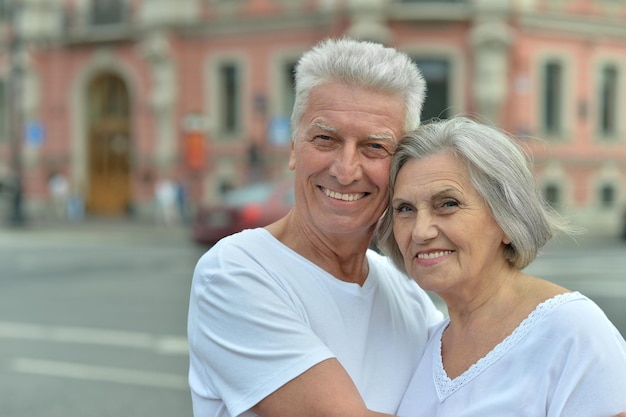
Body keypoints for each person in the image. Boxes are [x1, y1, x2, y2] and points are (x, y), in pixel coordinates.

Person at [187, 37, 445, 417]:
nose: (345, 170)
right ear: (294, 147)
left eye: (374, 147)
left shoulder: (406, 290)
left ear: (401, 166)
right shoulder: (236, 273)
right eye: (325, 139)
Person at [376, 117, 626, 416]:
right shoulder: (424, 345)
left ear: (507, 219)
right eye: (405, 209)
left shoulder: (574, 333)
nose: (420, 231)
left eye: (448, 204)